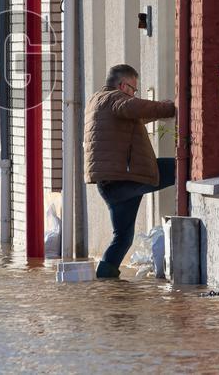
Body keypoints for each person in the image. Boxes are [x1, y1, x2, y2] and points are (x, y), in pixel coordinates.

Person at [84, 64, 176, 279]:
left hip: (110, 184)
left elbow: (134, 116)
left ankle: (106, 284)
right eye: (134, 89)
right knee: (181, 169)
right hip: (127, 177)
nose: (135, 94)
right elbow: (132, 108)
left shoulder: (97, 101)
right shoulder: (114, 99)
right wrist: (171, 108)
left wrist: (157, 111)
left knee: (123, 238)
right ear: (123, 85)